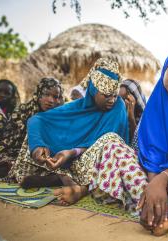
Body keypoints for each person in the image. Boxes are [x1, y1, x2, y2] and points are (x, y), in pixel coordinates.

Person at [53, 49, 168, 236]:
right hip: (151, 174)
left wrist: (163, 179)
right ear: (164, 73)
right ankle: (157, 213)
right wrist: (153, 186)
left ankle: (162, 212)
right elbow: (151, 149)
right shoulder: (156, 102)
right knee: (112, 144)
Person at [10, 58, 129, 189]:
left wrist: (71, 153)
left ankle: (66, 179)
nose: (112, 100)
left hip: (99, 163)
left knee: (109, 140)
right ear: (94, 90)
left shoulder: (117, 108)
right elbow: (37, 119)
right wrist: (38, 146)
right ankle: (60, 175)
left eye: (114, 95)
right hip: (70, 159)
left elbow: (108, 144)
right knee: (38, 131)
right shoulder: (78, 107)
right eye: (106, 95)